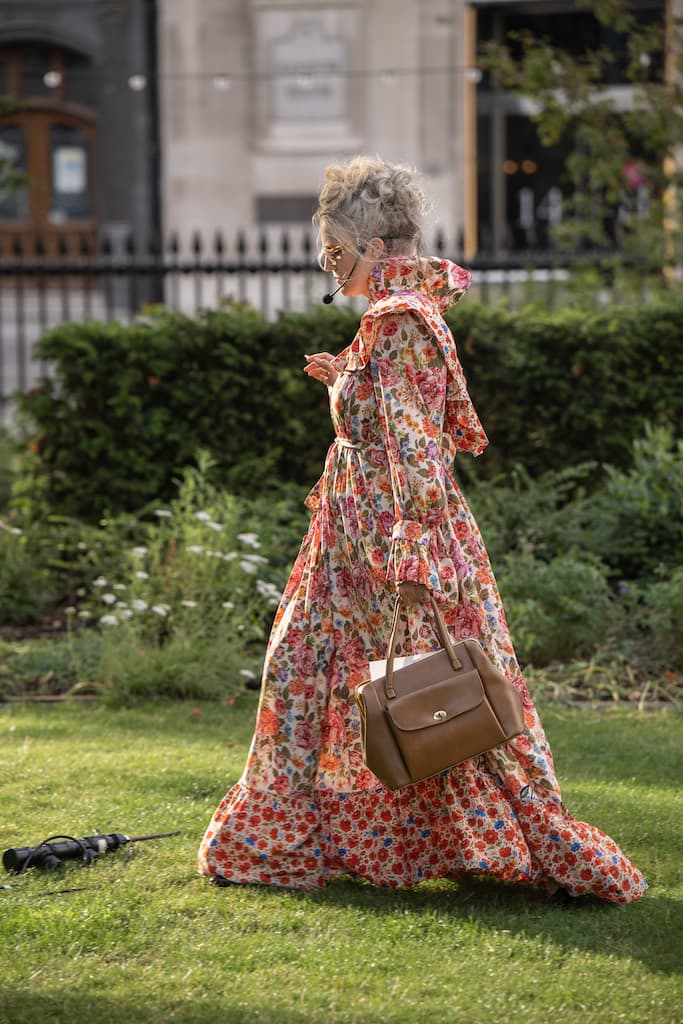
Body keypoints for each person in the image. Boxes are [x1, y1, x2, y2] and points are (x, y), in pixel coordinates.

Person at [198, 156, 647, 904]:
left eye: (336, 250)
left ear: (377, 250)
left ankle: (521, 845)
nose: (326, 263)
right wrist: (344, 378)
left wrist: (411, 564)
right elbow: (395, 418)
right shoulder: (392, 322)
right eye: (324, 250)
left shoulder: (399, 321)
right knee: (314, 672)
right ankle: (286, 842)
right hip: (350, 541)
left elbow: (415, 450)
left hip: (389, 545)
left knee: (434, 690)